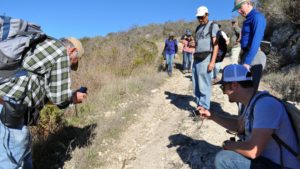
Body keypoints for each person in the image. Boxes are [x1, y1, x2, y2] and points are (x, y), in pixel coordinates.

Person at [0, 37, 87, 169]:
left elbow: (43, 95)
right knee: (11, 163)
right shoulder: (59, 53)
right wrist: (71, 98)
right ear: (71, 51)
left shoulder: (43, 52)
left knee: (23, 159)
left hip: (15, 113)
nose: (69, 67)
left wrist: (71, 98)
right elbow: (60, 98)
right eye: (73, 62)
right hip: (10, 113)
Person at [198, 64, 300, 169]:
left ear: (234, 85)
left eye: (223, 87)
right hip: (267, 161)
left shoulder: (265, 105)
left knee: (224, 159)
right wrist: (212, 116)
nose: (224, 92)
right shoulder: (252, 102)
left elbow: (252, 151)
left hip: (280, 166)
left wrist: (228, 145)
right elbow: (238, 125)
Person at [193, 6, 219, 111]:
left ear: (207, 14)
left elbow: (216, 45)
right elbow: (198, 43)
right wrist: (193, 43)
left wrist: (212, 62)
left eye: (202, 17)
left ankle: (204, 108)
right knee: (196, 83)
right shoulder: (198, 28)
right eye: (198, 17)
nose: (200, 19)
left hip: (206, 57)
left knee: (204, 84)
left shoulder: (213, 26)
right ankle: (199, 106)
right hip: (197, 57)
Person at [233, 0, 266, 71]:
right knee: (241, 81)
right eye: (237, 9)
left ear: (248, 3)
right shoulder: (248, 19)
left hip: (254, 56)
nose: (238, 11)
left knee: (249, 81)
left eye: (239, 7)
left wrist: (247, 62)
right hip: (247, 55)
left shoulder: (257, 17)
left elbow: (256, 40)